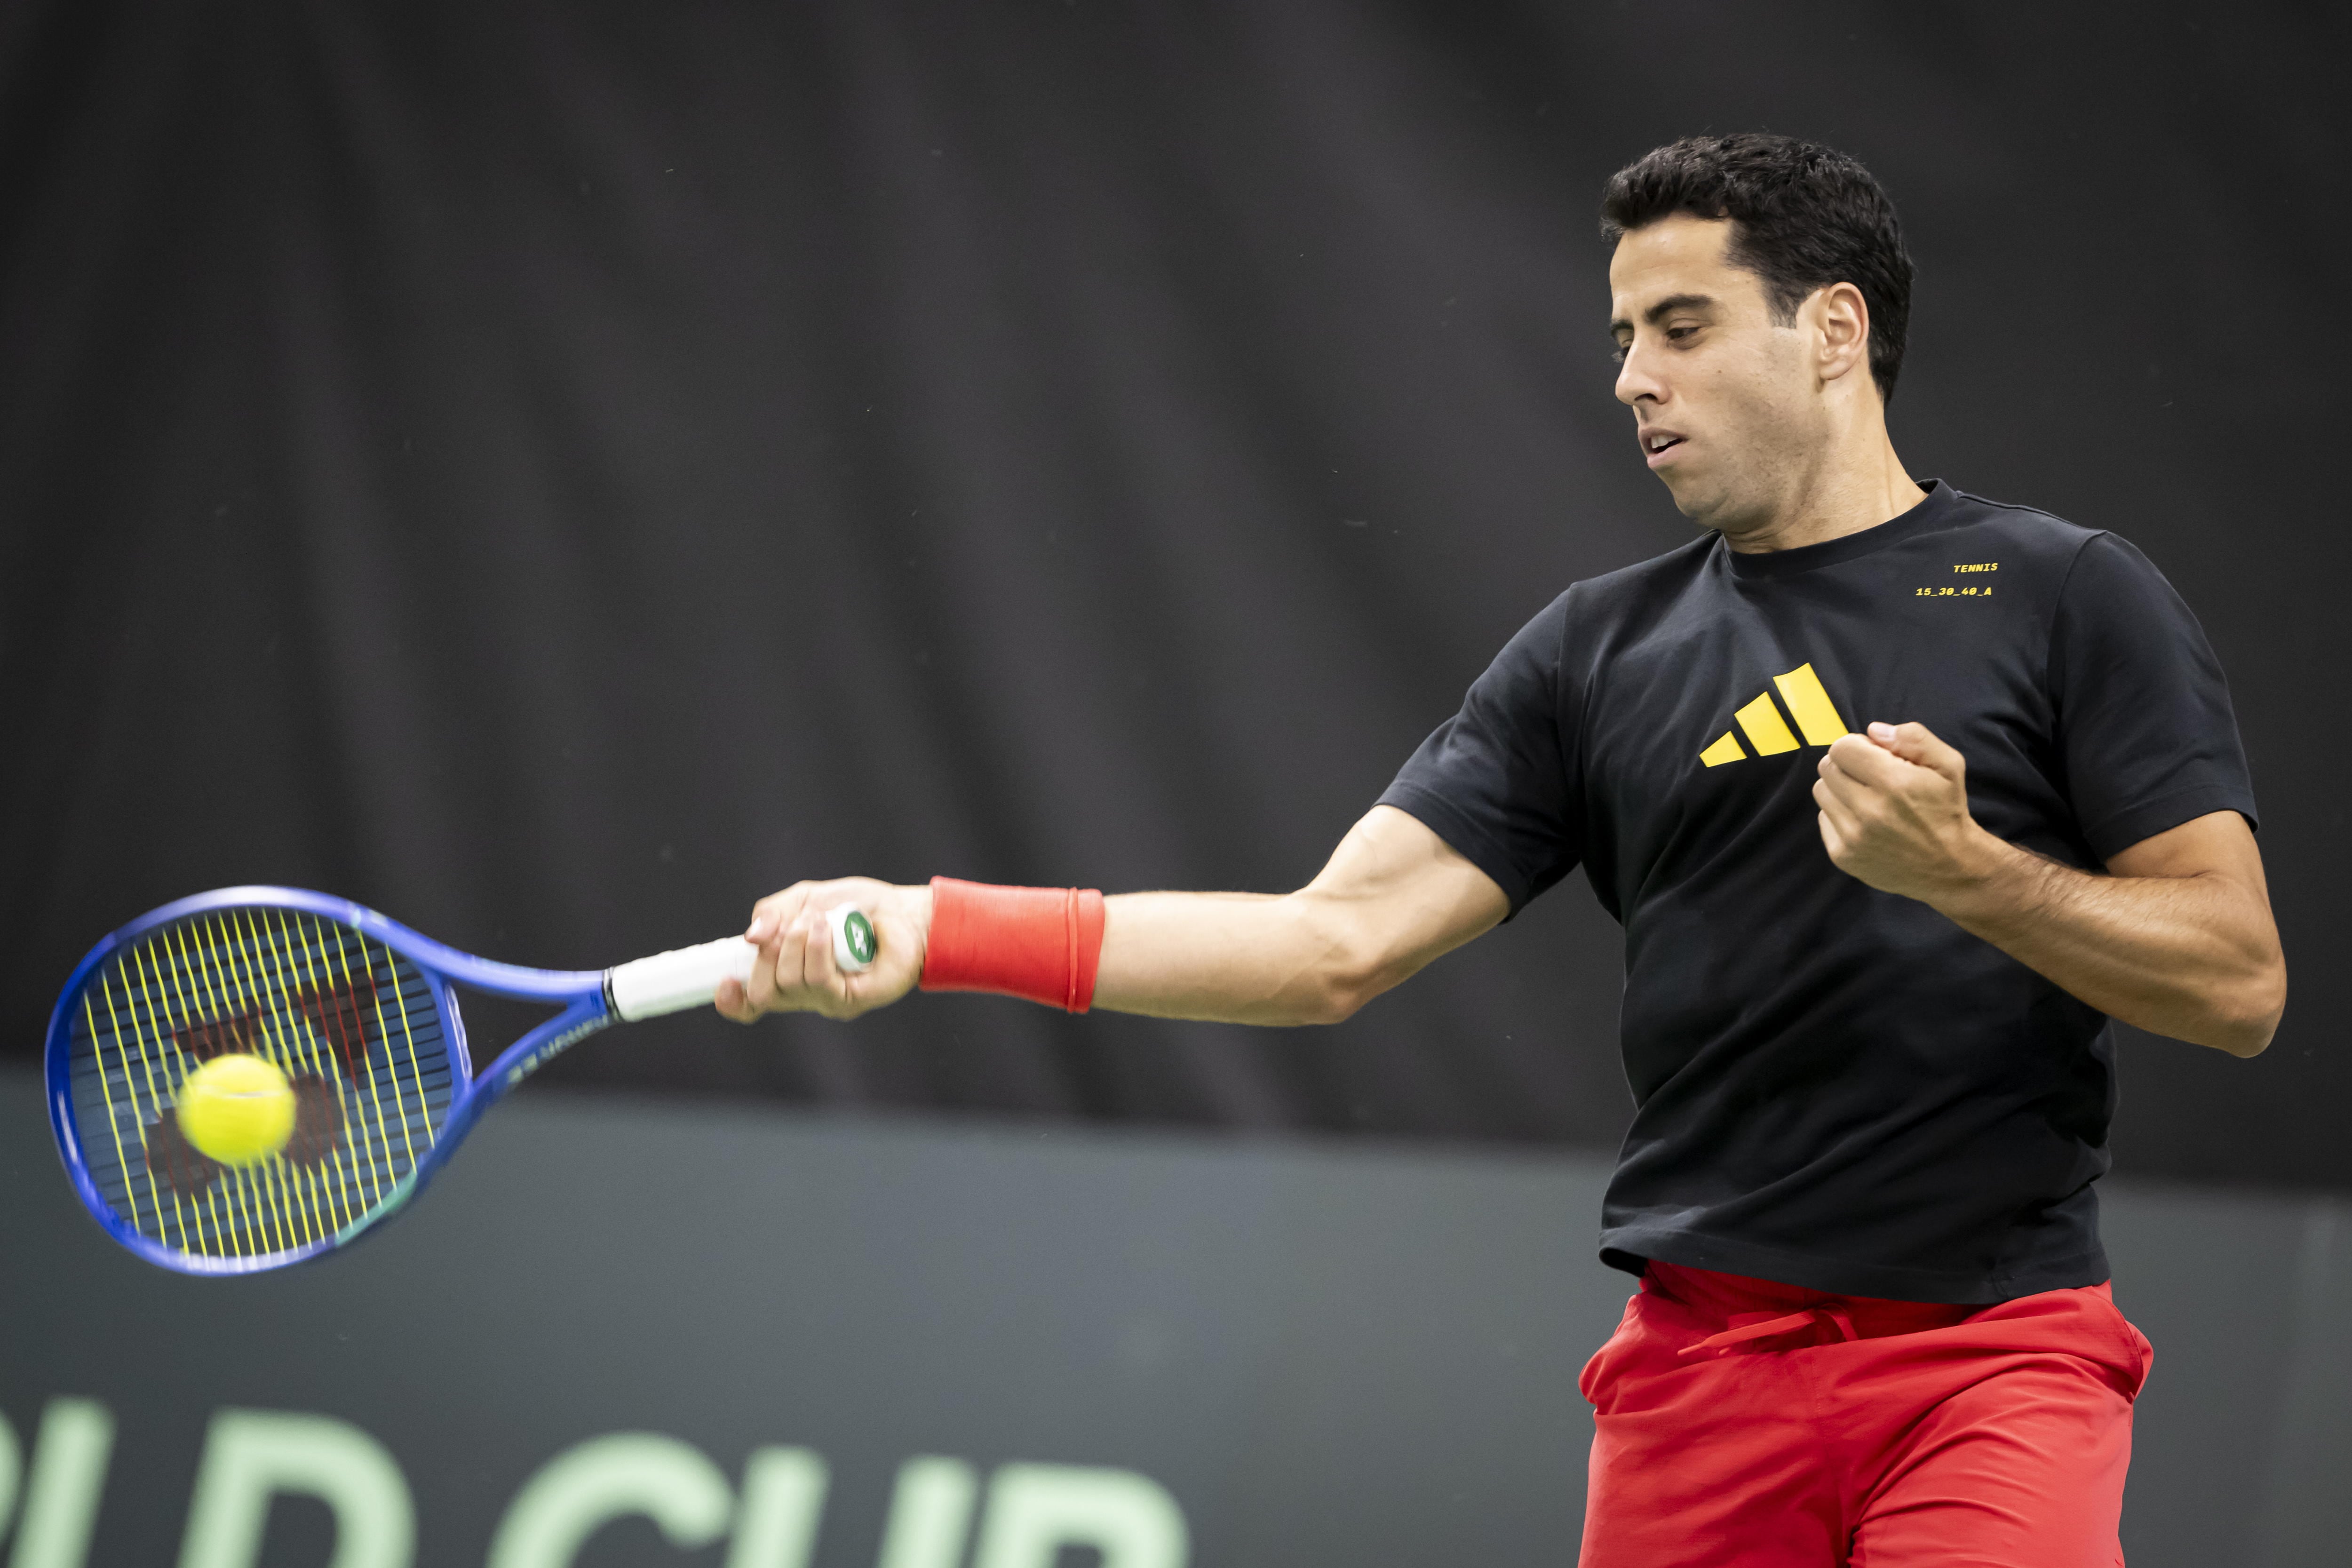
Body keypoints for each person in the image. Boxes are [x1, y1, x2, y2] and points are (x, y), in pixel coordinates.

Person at [715, 134, 2285, 1566]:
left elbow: (2236, 980)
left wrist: (1970, 876)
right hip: (1697, 1381)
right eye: (1620, 339)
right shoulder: (1595, 653)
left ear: (1833, 333)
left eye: (1679, 328)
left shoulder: (2069, 595)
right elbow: (1326, 948)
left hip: (1992, 1364)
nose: (1629, 380)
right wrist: (935, 926)